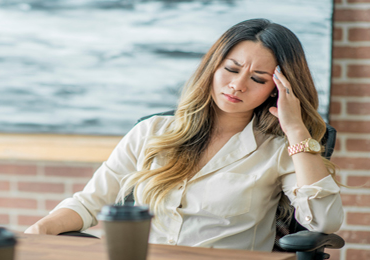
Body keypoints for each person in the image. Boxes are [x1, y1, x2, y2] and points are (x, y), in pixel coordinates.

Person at [25, 18, 343, 252]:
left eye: (258, 79)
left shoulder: (278, 150)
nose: (238, 85)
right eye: (231, 70)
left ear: (278, 91)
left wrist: (296, 130)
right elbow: (90, 202)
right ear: (213, 68)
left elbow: (323, 223)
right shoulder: (151, 132)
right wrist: (39, 230)